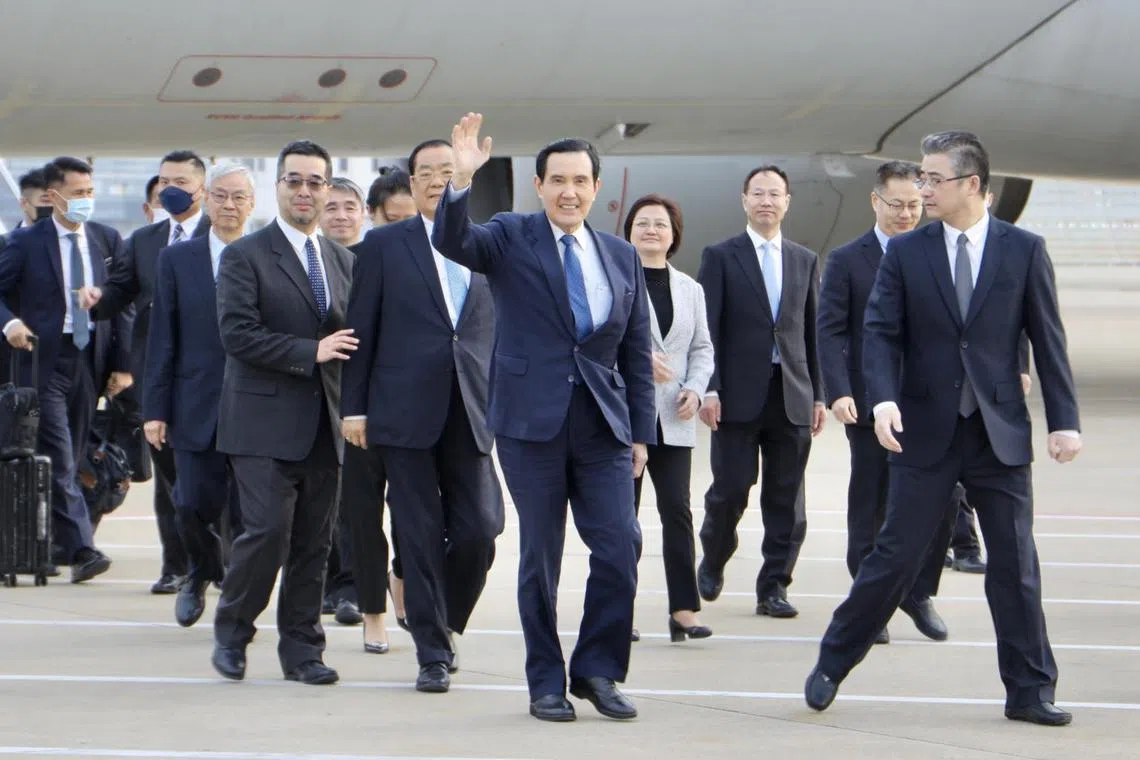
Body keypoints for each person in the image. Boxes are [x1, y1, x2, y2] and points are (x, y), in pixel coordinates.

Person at [806, 130, 1083, 727]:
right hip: (923, 431)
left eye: (934, 179)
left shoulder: (1023, 249)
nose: (921, 189)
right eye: (921, 178)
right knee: (895, 555)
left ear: (972, 184)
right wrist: (881, 401)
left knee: (1014, 565)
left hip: (998, 433)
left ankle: (1030, 691)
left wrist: (1064, 422)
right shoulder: (908, 252)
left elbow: (1047, 339)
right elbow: (879, 332)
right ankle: (833, 661)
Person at [432, 113, 654, 722]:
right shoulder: (510, 235)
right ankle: (545, 683)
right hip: (531, 426)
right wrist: (461, 180)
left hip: (604, 428)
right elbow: (454, 242)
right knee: (541, 559)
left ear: (596, 187)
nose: (569, 191)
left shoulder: (620, 255)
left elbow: (635, 351)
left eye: (580, 180)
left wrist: (641, 434)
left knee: (619, 548)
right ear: (539, 185)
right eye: (557, 179)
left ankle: (599, 670)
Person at [342, 138, 504, 692]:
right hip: (403, 413)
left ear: (464, 177)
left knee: (481, 531)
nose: (438, 179)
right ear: (411, 184)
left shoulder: (490, 243)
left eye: (447, 170)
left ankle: (446, 623)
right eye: (426, 172)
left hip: (474, 409)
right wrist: (355, 408)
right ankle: (431, 653)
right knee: (418, 532)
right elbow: (361, 332)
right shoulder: (383, 247)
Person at [210, 140, 356, 686]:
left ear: (328, 189)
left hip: (328, 425)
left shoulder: (345, 261)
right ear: (277, 187)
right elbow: (237, 334)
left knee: (315, 544)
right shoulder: (245, 255)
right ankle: (233, 628)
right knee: (267, 533)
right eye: (294, 180)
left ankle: (303, 652)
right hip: (261, 424)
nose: (304, 191)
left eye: (315, 182)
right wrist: (308, 352)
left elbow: (357, 344)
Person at [817, 160, 955, 644]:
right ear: (875, 201)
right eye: (896, 204)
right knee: (871, 501)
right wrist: (837, 391)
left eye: (915, 205)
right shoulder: (847, 259)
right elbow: (830, 329)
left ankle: (919, 591)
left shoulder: (940, 252)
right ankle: (868, 602)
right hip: (870, 402)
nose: (906, 214)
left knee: (946, 499)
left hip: (934, 401)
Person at [696, 165, 826, 618]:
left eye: (775, 194)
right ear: (744, 200)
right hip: (735, 395)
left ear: (787, 201)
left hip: (791, 392)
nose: (766, 201)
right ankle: (713, 556)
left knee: (787, 499)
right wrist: (708, 388)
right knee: (730, 489)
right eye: (758, 194)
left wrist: (819, 394)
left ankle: (774, 586)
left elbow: (811, 333)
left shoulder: (804, 259)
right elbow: (707, 328)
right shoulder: (721, 256)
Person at [85, 150, 214, 595]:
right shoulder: (144, 240)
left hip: (211, 376)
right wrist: (97, 298)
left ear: (202, 187)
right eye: (163, 180)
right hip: (158, 376)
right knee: (170, 478)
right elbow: (121, 291)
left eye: (179, 179)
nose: (168, 188)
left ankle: (223, 560)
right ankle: (176, 566)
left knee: (221, 476)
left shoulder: (222, 235)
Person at [0, 156, 131, 583]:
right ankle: (82, 548)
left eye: (90, 193)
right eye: (78, 194)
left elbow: (123, 307)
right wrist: (11, 322)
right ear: (54, 197)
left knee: (73, 457)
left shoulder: (106, 240)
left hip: (89, 362)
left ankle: (63, 540)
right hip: (42, 363)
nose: (86, 201)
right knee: (58, 451)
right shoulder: (25, 243)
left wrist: (122, 366)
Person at [144, 163, 256, 627]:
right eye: (222, 196)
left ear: (253, 205)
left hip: (255, 404)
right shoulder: (178, 259)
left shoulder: (264, 254)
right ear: (207, 198)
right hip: (194, 403)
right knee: (189, 501)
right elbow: (161, 338)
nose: (229, 206)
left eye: (239, 198)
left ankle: (238, 593)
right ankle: (200, 570)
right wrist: (155, 408)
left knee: (250, 514)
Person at [622, 194, 713, 643]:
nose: (651, 230)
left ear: (674, 234)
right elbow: (599, 341)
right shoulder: (615, 279)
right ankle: (619, 610)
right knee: (623, 519)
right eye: (642, 223)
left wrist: (696, 388)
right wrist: (639, 360)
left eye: (660, 224)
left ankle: (684, 609)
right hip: (625, 419)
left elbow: (702, 349)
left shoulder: (690, 289)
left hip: (674, 417)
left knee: (677, 512)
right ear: (629, 231)